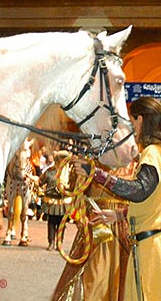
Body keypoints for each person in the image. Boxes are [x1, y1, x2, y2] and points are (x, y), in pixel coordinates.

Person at [54, 96, 161, 301]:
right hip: (146, 243)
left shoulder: (151, 154)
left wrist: (96, 174)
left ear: (141, 120)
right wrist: (119, 215)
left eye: (132, 121)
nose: (132, 129)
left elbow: (139, 190)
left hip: (149, 250)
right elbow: (153, 201)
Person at [39, 150, 69, 251]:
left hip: (63, 201)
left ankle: (59, 243)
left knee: (62, 223)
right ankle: (51, 242)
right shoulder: (50, 171)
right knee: (51, 222)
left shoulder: (68, 172)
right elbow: (41, 181)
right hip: (52, 200)